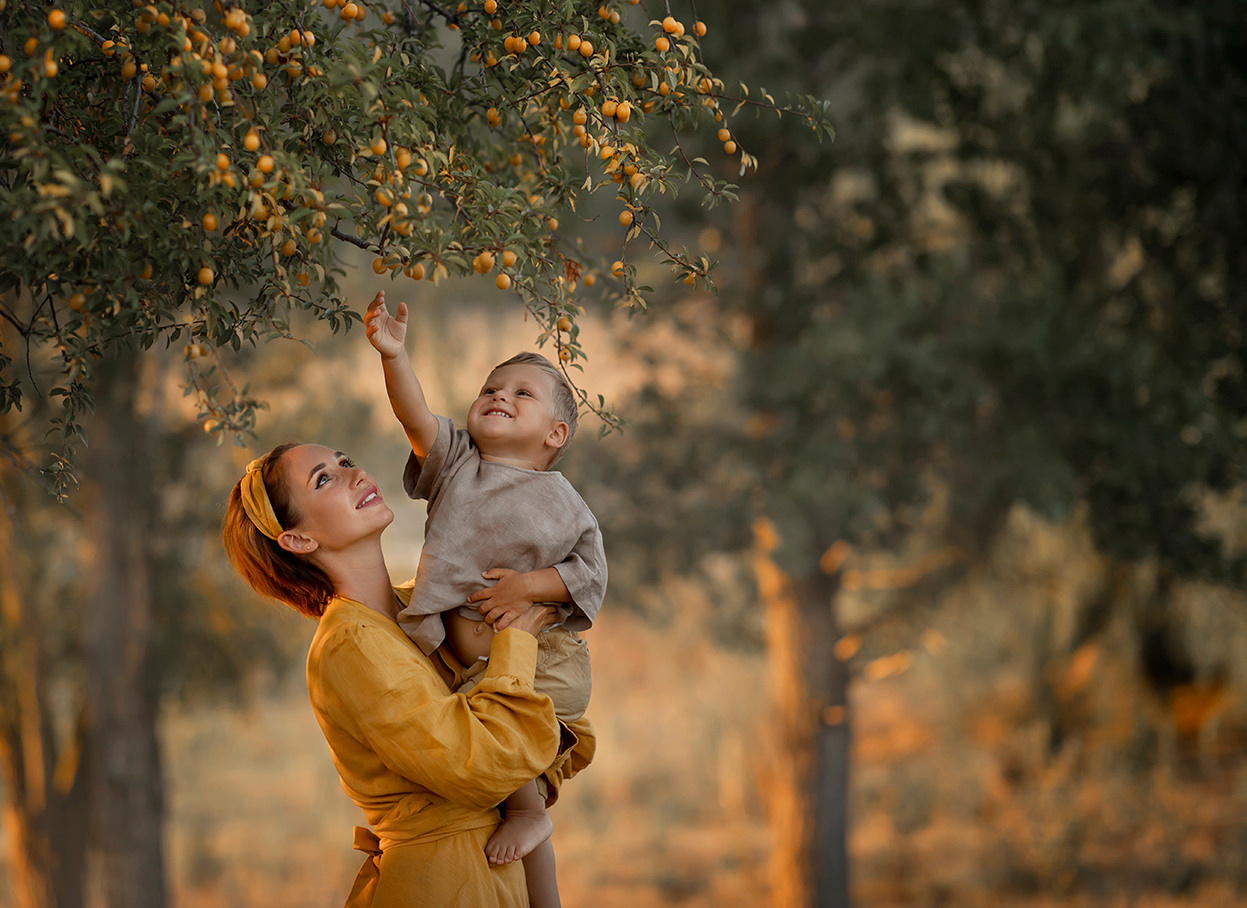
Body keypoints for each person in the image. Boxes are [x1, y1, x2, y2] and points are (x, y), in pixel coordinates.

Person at [222, 443, 593, 907]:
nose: (354, 474)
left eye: (345, 461)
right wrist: (517, 640)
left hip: (501, 877)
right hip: (442, 883)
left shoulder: (419, 607)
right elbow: (476, 765)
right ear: (299, 540)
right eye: (324, 479)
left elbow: (556, 727)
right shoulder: (348, 643)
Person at [363, 291, 606, 907]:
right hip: (472, 666)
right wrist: (393, 356)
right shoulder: (456, 464)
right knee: (495, 779)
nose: (500, 395)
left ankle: (529, 813)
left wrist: (528, 586)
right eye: (491, 388)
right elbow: (415, 418)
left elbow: (588, 575)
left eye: (523, 393)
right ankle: (534, 849)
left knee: (504, 768)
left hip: (543, 664)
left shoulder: (561, 501)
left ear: (555, 433)